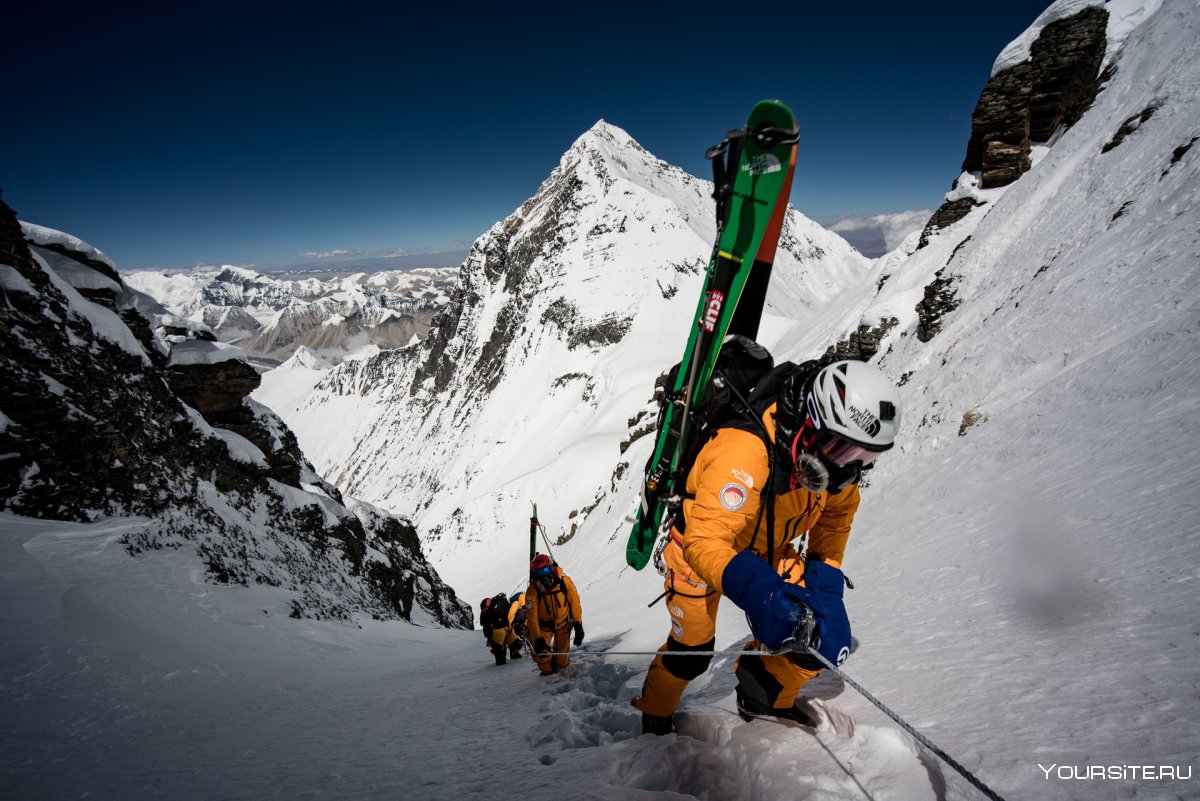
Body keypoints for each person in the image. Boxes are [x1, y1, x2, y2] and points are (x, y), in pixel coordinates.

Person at [631, 359, 901, 734]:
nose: (848, 470)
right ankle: (655, 712)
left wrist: (826, 591)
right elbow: (706, 540)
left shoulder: (834, 465)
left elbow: (835, 520)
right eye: (844, 451)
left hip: (768, 548)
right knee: (690, 653)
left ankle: (762, 692)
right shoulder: (745, 450)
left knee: (821, 635)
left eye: (865, 458)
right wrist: (760, 591)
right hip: (699, 552)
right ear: (813, 424)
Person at [525, 554, 584, 676]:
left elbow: (575, 602)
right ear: (535, 575)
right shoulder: (533, 591)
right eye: (540, 573)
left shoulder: (564, 582)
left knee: (561, 659)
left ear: (551, 567)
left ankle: (560, 666)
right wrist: (537, 639)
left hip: (563, 624)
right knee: (542, 659)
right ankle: (550, 673)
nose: (544, 575)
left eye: (546, 570)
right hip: (544, 627)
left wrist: (578, 624)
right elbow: (531, 617)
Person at [479, 592, 524, 665]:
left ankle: (501, 658)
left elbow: (483, 622)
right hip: (507, 626)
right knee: (513, 644)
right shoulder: (499, 604)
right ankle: (513, 653)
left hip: (499, 629)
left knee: (499, 647)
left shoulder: (491, 609)